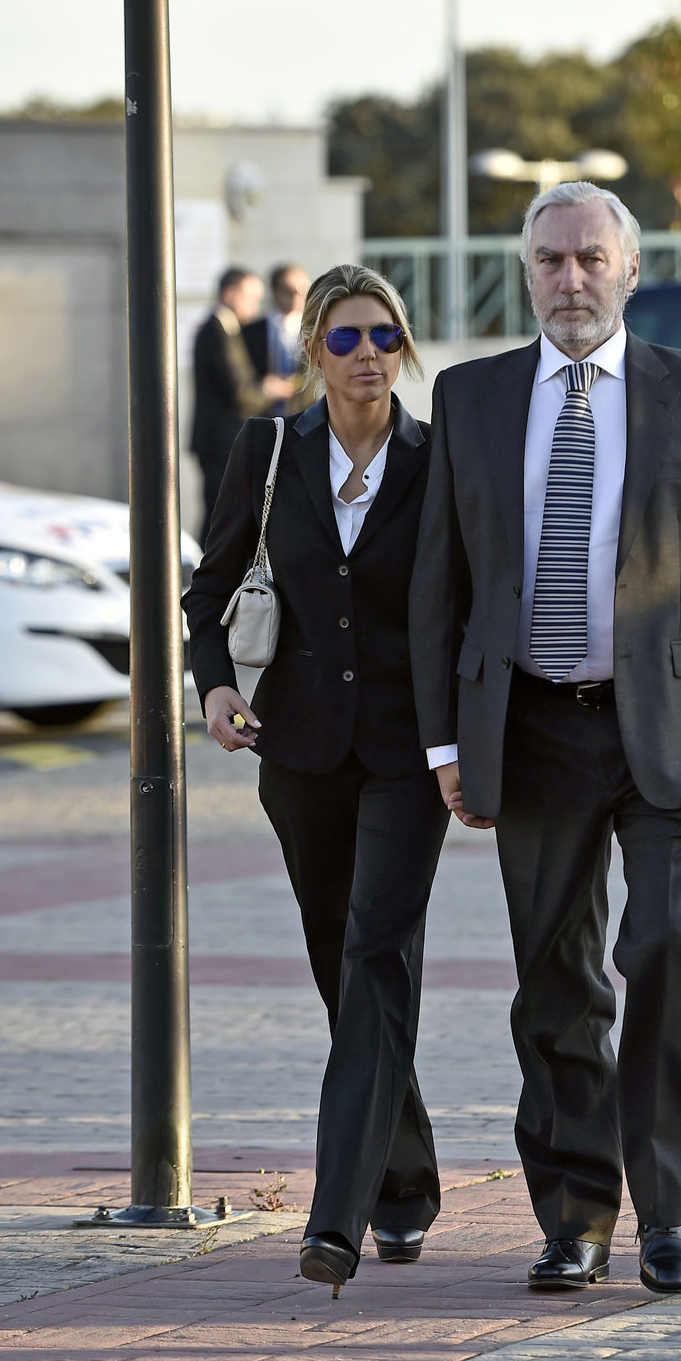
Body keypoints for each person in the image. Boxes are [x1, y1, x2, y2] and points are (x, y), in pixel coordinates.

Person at [409, 183, 681, 1296]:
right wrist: (445, 743)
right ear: (523, 273)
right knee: (553, 979)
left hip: (674, 730)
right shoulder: (472, 399)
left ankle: (667, 1210)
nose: (569, 280)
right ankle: (575, 1215)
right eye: (548, 261)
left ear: (629, 271)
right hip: (530, 728)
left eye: (589, 259)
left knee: (669, 949)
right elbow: (440, 583)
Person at [183, 264, 449, 1295]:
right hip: (292, 754)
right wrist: (212, 691)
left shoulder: (437, 458)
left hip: (406, 756)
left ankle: (339, 1218)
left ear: (405, 345)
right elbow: (208, 592)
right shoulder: (266, 451)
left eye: (383, 335)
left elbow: (464, 604)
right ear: (309, 350)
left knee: (376, 955)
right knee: (343, 964)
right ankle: (411, 1175)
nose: (366, 355)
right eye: (343, 338)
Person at [190, 267, 295, 542]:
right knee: (218, 516)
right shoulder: (216, 330)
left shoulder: (227, 328)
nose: (255, 305)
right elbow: (239, 391)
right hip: (219, 443)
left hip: (222, 441)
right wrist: (270, 389)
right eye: (250, 297)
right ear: (230, 294)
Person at [243, 263, 312, 413]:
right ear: (275, 290)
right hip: (263, 414)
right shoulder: (251, 331)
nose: (296, 295)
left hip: (303, 415)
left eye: (302, 289)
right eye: (288, 290)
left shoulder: (314, 329)